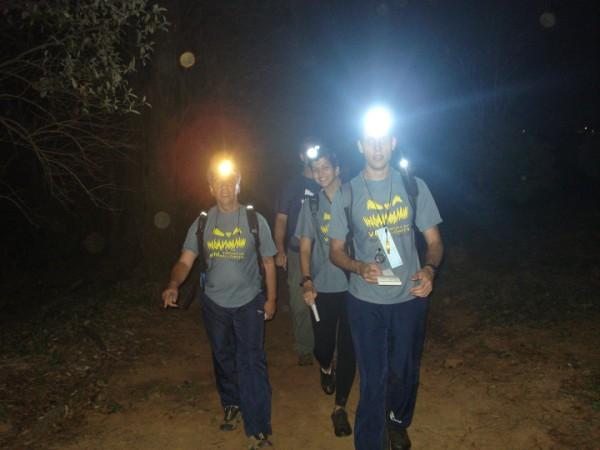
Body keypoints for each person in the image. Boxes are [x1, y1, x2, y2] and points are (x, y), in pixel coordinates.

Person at [328, 106, 444, 450]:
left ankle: (398, 421)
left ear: (393, 143)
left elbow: (434, 242)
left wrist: (429, 269)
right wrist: (358, 266)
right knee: (374, 378)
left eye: (383, 140)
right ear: (360, 145)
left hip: (409, 299)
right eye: (370, 141)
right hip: (365, 301)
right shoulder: (347, 194)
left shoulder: (413, 186)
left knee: (404, 371)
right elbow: (336, 250)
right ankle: (369, 442)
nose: (377, 147)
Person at [161, 155, 277, 450]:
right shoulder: (202, 222)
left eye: (230, 182)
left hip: (249, 300)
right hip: (214, 303)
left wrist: (272, 298)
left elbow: (268, 261)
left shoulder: (254, 219)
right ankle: (232, 403)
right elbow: (185, 261)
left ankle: (259, 428)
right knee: (223, 356)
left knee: (251, 361)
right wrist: (173, 284)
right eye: (218, 183)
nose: (225, 188)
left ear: (238, 184)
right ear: (211, 187)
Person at [294, 148, 356, 437]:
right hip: (322, 287)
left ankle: (340, 406)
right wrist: (306, 280)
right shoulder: (312, 205)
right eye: (315, 168)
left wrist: (395, 268)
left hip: (356, 286)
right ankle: (325, 366)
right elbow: (305, 247)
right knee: (322, 345)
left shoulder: (357, 196)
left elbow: (379, 233)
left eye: (325, 167)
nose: (320, 173)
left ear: (337, 168)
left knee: (349, 346)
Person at [274, 141, 320, 366]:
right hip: (294, 251)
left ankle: (327, 344)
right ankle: (304, 347)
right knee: (298, 299)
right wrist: (280, 249)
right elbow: (281, 219)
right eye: (309, 151)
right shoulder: (291, 185)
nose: (313, 156)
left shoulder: (326, 182)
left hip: (324, 253)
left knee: (328, 298)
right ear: (301, 156)